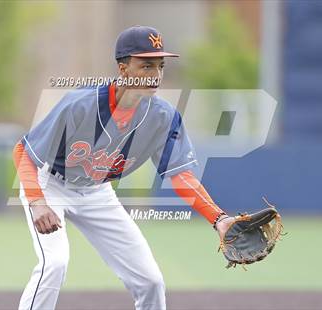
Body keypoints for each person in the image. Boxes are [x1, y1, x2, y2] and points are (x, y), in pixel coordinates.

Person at [13, 25, 234, 310]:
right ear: (123, 68)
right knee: (54, 263)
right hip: (50, 185)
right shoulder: (80, 104)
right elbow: (23, 150)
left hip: (97, 192)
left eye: (160, 65)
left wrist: (219, 219)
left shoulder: (163, 117)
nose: (155, 73)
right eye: (146, 65)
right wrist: (37, 202)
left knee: (151, 281)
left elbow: (180, 175)